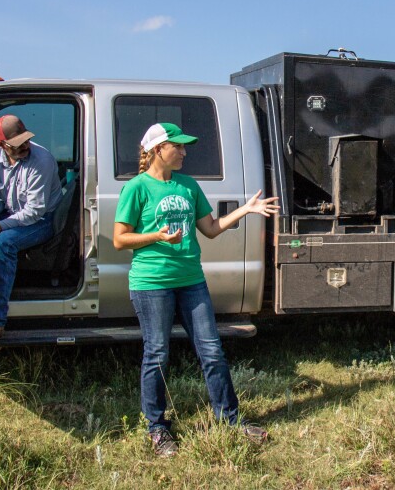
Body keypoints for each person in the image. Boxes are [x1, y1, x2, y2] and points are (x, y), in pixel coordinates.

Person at [113, 122, 279, 458]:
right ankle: (157, 429)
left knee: (212, 351)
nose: (185, 152)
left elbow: (212, 229)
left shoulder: (188, 185)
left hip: (191, 280)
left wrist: (245, 210)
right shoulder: (136, 188)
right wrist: (157, 236)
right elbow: (120, 239)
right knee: (157, 354)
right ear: (159, 148)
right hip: (152, 283)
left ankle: (229, 419)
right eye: (179, 147)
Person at [0, 115, 63, 344]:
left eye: (26, 139)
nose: (25, 146)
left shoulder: (42, 160)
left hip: (41, 220)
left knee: (5, 242)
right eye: (17, 143)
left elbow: (33, 212)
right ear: (1, 145)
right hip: (10, 212)